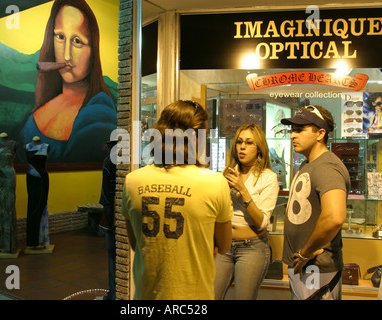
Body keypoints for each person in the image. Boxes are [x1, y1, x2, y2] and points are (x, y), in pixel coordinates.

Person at [120, 100, 233, 300]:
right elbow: (223, 246)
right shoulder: (215, 183)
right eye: (204, 136)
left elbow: (136, 242)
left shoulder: (132, 181)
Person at [21, 0, 117, 163]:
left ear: (93, 50)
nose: (66, 55)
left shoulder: (99, 113)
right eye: (60, 37)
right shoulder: (47, 102)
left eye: (77, 41)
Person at [280, 105, 350, 300]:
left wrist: (305, 252)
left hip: (317, 268)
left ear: (320, 133)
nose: (293, 135)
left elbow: (335, 217)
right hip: (305, 267)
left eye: (300, 129)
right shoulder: (308, 163)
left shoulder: (327, 166)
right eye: (292, 130)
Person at [214, 123, 279, 300]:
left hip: (252, 247)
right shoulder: (227, 173)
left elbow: (262, 222)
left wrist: (243, 191)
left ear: (259, 148)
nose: (242, 147)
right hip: (224, 245)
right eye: (239, 142)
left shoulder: (268, 177)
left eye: (249, 143)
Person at [0, 132, 18, 253]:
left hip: (8, 176)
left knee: (9, 206)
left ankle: (10, 245)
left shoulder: (13, 144)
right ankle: (2, 244)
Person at [24, 136, 51, 248]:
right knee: (32, 205)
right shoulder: (26, 147)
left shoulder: (46, 146)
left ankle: (42, 240)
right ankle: (32, 241)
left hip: (42, 178)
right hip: (31, 178)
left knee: (42, 204)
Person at [99, 139, 117, 300]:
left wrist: (110, 218)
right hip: (117, 211)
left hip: (111, 211)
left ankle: (113, 294)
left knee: (112, 255)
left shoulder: (108, 161)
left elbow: (106, 194)